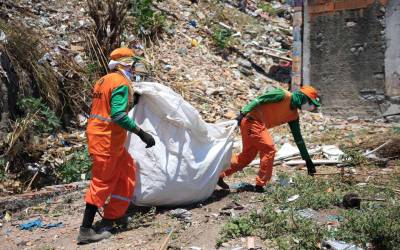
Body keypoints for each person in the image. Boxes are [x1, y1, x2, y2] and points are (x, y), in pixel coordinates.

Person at [77, 48, 155, 244]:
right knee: (102, 182)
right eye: (133, 64)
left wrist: (133, 101)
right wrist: (141, 133)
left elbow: (108, 105)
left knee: (127, 172)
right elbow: (117, 115)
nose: (135, 68)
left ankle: (113, 216)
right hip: (106, 142)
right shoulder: (120, 83)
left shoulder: (104, 80)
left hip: (107, 139)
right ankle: (86, 230)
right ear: (125, 64)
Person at [217, 86, 320, 192]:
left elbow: (298, 138)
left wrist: (307, 159)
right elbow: (259, 99)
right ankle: (260, 185)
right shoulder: (283, 95)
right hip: (252, 121)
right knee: (269, 149)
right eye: (310, 103)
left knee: (247, 157)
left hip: (255, 125)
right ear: (304, 97)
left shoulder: (294, 115)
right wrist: (243, 113)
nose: (310, 107)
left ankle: (217, 175)